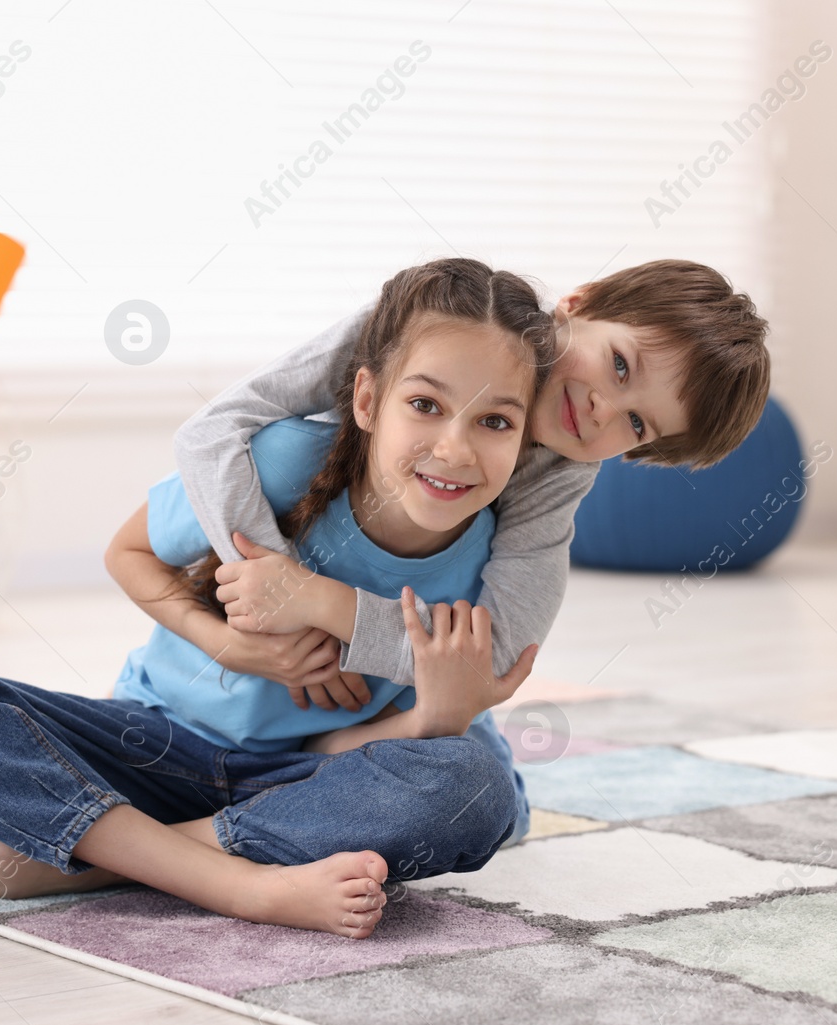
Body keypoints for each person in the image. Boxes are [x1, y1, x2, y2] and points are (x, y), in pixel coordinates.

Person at [0, 258, 552, 939]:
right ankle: (243, 884)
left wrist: (435, 716)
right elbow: (129, 550)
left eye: (495, 421)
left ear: (526, 440)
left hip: (298, 785)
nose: (455, 449)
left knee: (477, 787)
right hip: (150, 743)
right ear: (367, 400)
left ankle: (99, 862)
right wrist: (230, 644)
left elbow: (340, 746)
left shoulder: (490, 570)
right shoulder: (278, 463)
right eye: (425, 405)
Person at [169, 260, 771, 715]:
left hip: (380, 695)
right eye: (619, 364)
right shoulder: (434, 326)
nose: (601, 410)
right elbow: (212, 432)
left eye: (636, 424)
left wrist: (322, 607)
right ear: (577, 304)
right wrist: (280, 593)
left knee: (470, 787)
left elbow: (500, 654)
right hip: (304, 557)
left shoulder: (561, 472)